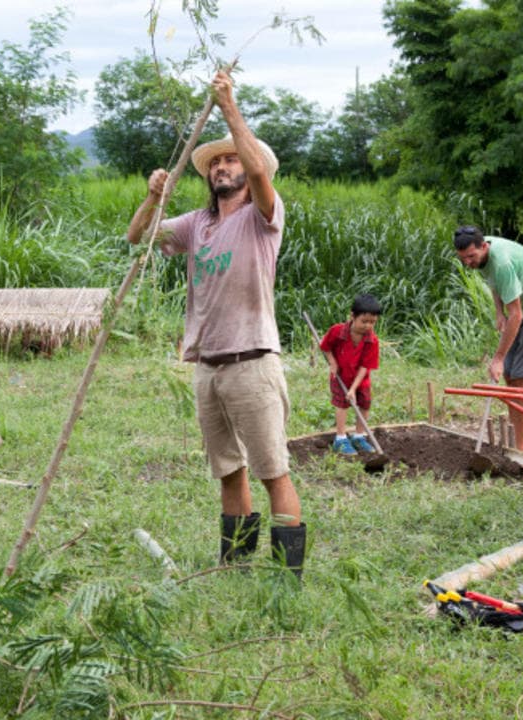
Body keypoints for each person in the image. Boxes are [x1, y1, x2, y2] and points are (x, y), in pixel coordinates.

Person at [126, 70, 306, 576]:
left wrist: (229, 106)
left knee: (273, 470)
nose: (224, 167)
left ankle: (287, 577)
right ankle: (236, 567)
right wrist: (153, 196)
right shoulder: (197, 225)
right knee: (228, 470)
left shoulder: (263, 216)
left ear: (248, 173)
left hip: (253, 362)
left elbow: (261, 176)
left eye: (232, 160)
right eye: (217, 162)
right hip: (207, 367)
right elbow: (136, 238)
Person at [453, 225, 523, 451]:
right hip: (519, 309)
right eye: (463, 259)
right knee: (511, 378)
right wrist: (499, 312)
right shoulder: (481, 257)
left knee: (521, 380)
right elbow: (494, 283)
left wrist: (498, 357)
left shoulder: (502, 263)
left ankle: (520, 449)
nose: (468, 262)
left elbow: (517, 315)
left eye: (471, 257)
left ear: (484, 246)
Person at [319, 294, 382, 455]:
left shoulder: (372, 340)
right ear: (352, 316)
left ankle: (359, 436)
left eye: (372, 322)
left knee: (365, 403)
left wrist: (353, 388)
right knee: (342, 404)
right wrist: (333, 362)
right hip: (340, 375)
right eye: (364, 321)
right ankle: (340, 438)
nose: (368, 325)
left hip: (361, 380)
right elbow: (325, 347)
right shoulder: (337, 331)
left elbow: (365, 366)